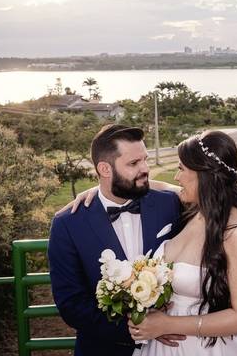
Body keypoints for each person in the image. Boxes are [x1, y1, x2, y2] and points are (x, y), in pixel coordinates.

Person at [67, 130, 237, 355]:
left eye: (181, 168)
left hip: (206, 348)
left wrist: (166, 325)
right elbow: (157, 186)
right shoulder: (193, 210)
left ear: (204, 174)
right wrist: (102, 188)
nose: (177, 177)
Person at [48, 124, 183, 356]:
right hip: (104, 349)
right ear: (105, 169)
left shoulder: (170, 204)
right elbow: (71, 304)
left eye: (145, 160)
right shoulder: (67, 224)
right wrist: (137, 329)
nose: (145, 169)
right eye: (133, 164)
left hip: (172, 348)